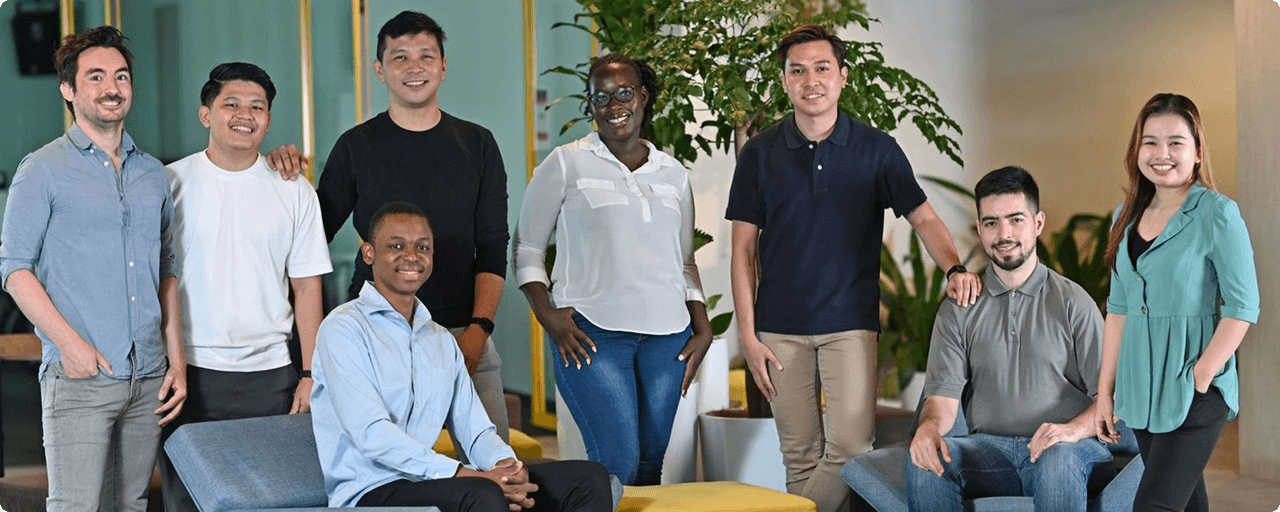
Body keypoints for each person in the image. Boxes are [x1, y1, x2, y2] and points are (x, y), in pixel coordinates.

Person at [724, 24, 981, 512]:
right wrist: (749, 338)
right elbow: (743, 252)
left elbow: (925, 218)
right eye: (798, 71)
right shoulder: (759, 153)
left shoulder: (877, 148)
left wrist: (954, 269)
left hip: (850, 324)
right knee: (799, 457)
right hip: (778, 330)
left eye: (822, 68)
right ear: (784, 81)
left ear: (843, 77)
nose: (811, 81)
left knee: (851, 450)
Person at [268, 10, 510, 448]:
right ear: (380, 70)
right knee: (382, 464)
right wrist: (276, 176)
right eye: (400, 57)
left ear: (443, 66)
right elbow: (309, 237)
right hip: (374, 338)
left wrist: (479, 330)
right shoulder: (355, 146)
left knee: (495, 462)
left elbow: (492, 246)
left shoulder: (477, 144)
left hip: (463, 332)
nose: (414, 67)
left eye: (426, 56)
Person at [310, 202, 612, 512]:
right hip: (370, 490)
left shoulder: (441, 340)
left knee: (589, 479)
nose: (411, 256)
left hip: (431, 481)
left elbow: (475, 429)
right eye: (396, 246)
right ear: (369, 253)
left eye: (422, 247)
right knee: (483, 494)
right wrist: (468, 475)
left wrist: (507, 468)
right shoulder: (344, 329)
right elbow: (372, 434)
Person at [0, 26, 186, 512]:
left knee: (131, 504)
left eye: (121, 76)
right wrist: (69, 345)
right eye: (96, 76)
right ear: (68, 89)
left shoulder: (152, 174)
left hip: (148, 376)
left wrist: (176, 361)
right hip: (80, 377)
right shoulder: (42, 169)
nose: (112, 88)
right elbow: (14, 269)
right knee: (76, 506)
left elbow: (166, 269)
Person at [512, 54, 713, 485]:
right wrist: (547, 315)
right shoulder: (565, 163)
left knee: (649, 465)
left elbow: (684, 261)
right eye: (601, 98)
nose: (614, 106)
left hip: (668, 338)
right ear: (590, 105)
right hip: (591, 333)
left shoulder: (673, 174)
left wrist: (703, 325)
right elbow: (526, 248)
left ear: (643, 97)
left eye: (624, 93)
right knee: (617, 463)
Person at [158, 62, 332, 512]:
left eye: (257, 107)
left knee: (273, 499)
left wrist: (311, 374)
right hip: (190, 373)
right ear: (206, 114)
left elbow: (307, 288)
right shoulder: (170, 183)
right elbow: (157, 280)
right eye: (231, 104)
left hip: (271, 376)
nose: (244, 115)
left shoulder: (294, 190)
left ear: (268, 120)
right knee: (189, 501)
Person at [906, 166, 1111, 511]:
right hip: (988, 452)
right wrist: (928, 429)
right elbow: (942, 401)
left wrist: (1069, 432)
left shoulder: (1073, 302)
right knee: (927, 461)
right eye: (991, 223)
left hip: (1068, 448)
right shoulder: (959, 308)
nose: (1004, 234)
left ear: (1038, 223)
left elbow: (1110, 400)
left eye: (1016, 220)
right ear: (979, 228)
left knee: (1058, 459)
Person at [1095, 93, 1258, 512]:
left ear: (1198, 151)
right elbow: (1118, 310)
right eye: (1150, 142)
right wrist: (1105, 392)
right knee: (1185, 504)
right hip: (1141, 389)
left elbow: (1243, 306)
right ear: (1137, 151)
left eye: (1175, 142)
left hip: (1195, 389)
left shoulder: (1217, 213)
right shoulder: (1124, 217)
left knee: (1154, 505)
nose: (1161, 153)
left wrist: (1202, 374)